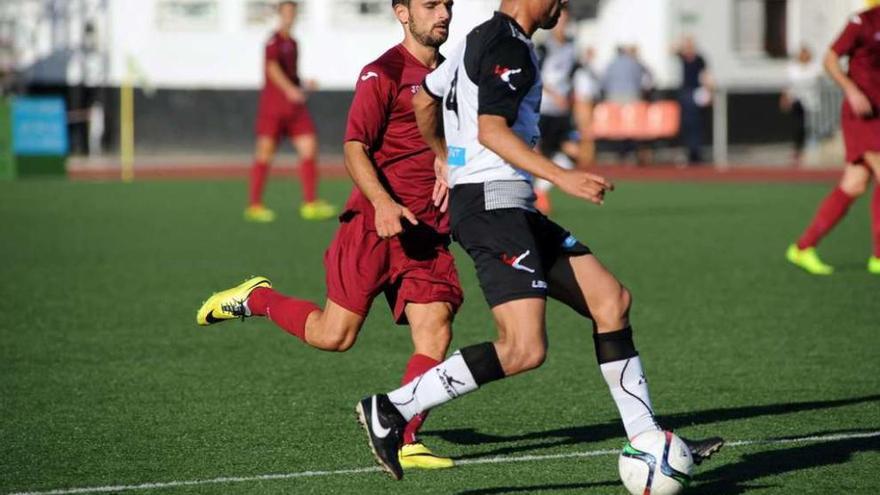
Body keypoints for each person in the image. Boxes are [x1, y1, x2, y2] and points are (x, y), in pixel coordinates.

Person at [354, 0, 724, 481]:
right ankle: (394, 408)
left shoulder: (480, 38)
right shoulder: (507, 44)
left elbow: (425, 97)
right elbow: (491, 130)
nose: (564, 5)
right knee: (524, 347)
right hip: (493, 210)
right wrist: (561, 177)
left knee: (611, 301)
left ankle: (646, 436)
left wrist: (444, 156)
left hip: (509, 207)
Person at [199, 0, 462, 469]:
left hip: (426, 231)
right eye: (430, 5)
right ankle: (255, 298)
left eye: (448, 4)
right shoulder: (380, 73)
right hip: (373, 226)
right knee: (333, 336)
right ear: (402, 13)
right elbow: (353, 148)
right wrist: (382, 202)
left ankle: (403, 436)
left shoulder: (456, 73)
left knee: (435, 331)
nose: (442, 13)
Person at [786, 6, 880, 275]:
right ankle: (879, 256)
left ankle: (803, 247)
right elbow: (830, 59)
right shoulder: (864, 20)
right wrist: (851, 91)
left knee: (855, 184)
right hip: (862, 114)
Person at [246, 1, 337, 222]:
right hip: (273, 107)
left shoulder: (294, 43)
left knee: (309, 146)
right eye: (286, 13)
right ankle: (255, 205)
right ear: (279, 15)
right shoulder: (273, 41)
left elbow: (291, 74)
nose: (289, 17)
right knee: (265, 153)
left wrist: (304, 84)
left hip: (294, 108)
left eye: (292, 13)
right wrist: (290, 90)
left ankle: (310, 203)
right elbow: (273, 68)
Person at [533, 6, 578, 214]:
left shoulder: (571, 47)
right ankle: (533, 195)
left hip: (563, 112)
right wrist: (555, 95)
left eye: (566, 21)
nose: (562, 25)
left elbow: (572, 76)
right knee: (538, 156)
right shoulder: (544, 48)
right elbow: (535, 76)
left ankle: (540, 190)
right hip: (544, 110)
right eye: (559, 20)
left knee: (573, 154)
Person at [780, 46, 822, 167]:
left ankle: (811, 149)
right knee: (799, 126)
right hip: (797, 100)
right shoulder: (793, 69)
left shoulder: (815, 69)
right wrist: (784, 98)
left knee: (811, 125)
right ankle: (798, 150)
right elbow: (787, 85)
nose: (803, 56)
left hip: (812, 102)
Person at [675, 36, 713, 165]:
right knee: (686, 124)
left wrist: (708, 91)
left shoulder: (699, 59)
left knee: (696, 124)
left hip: (696, 93)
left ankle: (696, 152)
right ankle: (689, 151)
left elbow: (705, 75)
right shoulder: (683, 57)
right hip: (686, 93)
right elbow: (671, 49)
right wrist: (682, 43)